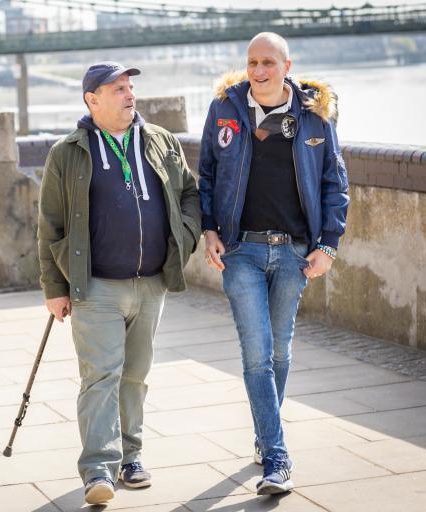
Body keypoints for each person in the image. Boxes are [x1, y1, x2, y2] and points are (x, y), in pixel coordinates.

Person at [37, 61, 201, 505]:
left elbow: (190, 192)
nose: (130, 95)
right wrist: (54, 288)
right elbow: (49, 223)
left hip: (152, 283)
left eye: (130, 87)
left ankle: (132, 457)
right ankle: (97, 470)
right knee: (100, 377)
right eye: (118, 89)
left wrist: (182, 239)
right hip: (96, 287)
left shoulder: (161, 142)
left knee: (136, 375)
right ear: (92, 100)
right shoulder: (68, 152)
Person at [198, 32, 349, 495]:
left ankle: (266, 439)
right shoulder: (225, 108)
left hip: (293, 253)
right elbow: (205, 173)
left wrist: (328, 246)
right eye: (251, 62)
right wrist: (209, 230)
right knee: (257, 354)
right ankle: (278, 458)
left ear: (287, 65)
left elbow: (334, 182)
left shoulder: (314, 115)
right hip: (241, 251)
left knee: (280, 352)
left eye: (267, 62)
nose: (258, 71)